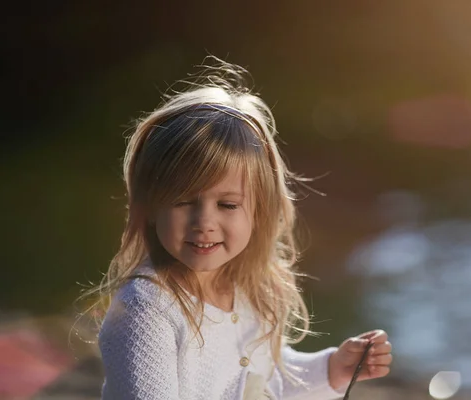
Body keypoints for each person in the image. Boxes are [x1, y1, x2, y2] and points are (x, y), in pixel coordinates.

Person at [85, 57, 392, 400]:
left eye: (227, 205)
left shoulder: (245, 287)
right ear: (150, 207)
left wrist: (333, 369)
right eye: (184, 202)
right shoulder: (146, 310)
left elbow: (264, 382)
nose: (204, 222)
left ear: (259, 211)